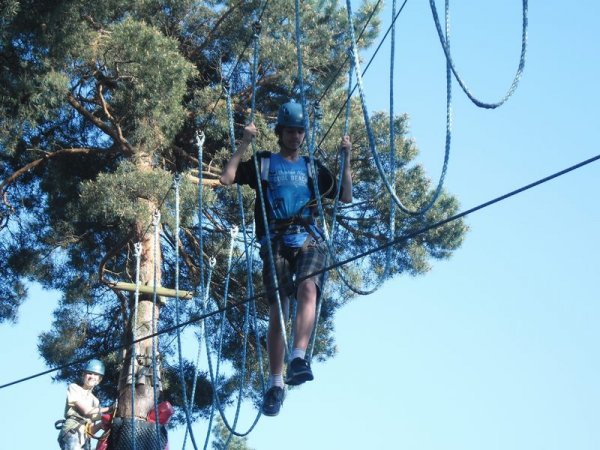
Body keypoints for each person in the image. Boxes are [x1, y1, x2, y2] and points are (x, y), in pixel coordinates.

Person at [220, 101, 352, 416]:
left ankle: (298, 357)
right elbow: (227, 177)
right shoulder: (265, 163)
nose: (295, 136)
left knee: (308, 288)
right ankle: (276, 383)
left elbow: (345, 196)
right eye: (290, 131)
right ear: (280, 132)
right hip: (275, 239)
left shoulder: (311, 167)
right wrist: (245, 142)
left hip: (308, 237)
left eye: (300, 131)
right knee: (280, 307)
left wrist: (346, 159)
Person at [57, 359, 112, 450]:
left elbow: (90, 430)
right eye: (89, 373)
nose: (92, 376)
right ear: (83, 375)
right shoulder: (74, 388)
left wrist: (101, 424)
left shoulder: (95, 401)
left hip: (84, 438)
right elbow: (86, 411)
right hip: (72, 432)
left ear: (99, 379)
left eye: (96, 374)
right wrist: (110, 408)